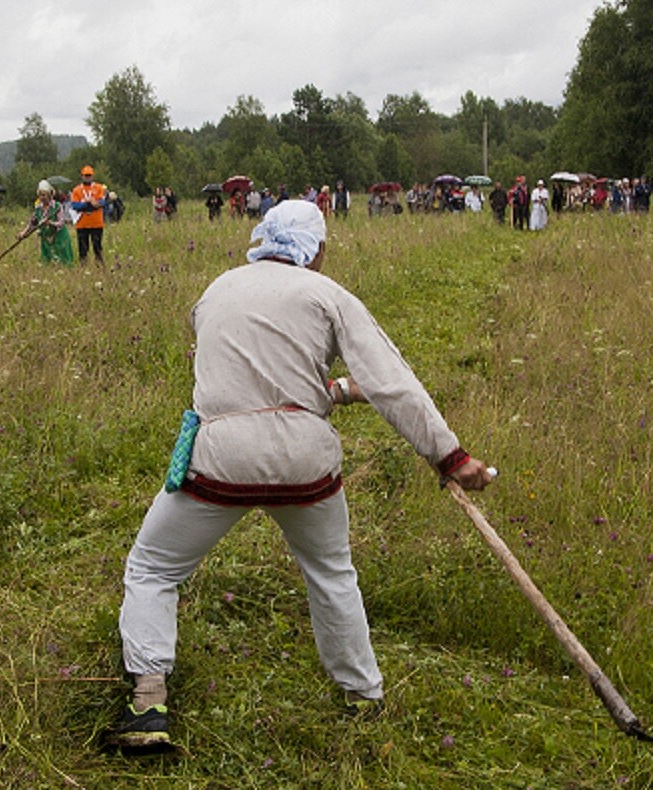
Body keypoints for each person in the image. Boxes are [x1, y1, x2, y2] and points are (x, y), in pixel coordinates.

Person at [106, 200, 495, 752]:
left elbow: (251, 380)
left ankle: (147, 703)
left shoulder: (215, 291)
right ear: (317, 250)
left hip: (221, 459)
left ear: (261, 240)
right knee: (333, 573)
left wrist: (330, 391)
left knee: (152, 568)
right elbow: (391, 382)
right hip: (305, 461)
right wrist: (451, 458)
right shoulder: (328, 295)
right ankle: (363, 695)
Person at [20, 180, 74, 264]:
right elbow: (32, 223)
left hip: (59, 237)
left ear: (49, 195)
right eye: (40, 195)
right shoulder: (38, 209)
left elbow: (61, 222)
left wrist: (50, 223)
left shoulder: (57, 206)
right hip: (46, 239)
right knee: (47, 262)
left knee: (62, 262)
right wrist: (24, 233)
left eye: (44, 195)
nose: (42, 197)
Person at [70, 165, 107, 265]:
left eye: (89, 175)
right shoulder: (76, 190)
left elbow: (102, 203)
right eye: (86, 175)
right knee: (82, 249)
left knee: (97, 247)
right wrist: (87, 203)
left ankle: (100, 266)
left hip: (97, 224)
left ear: (92, 176)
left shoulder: (99, 188)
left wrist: (94, 203)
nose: (87, 177)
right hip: (82, 224)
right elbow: (74, 205)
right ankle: (83, 267)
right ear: (82, 176)